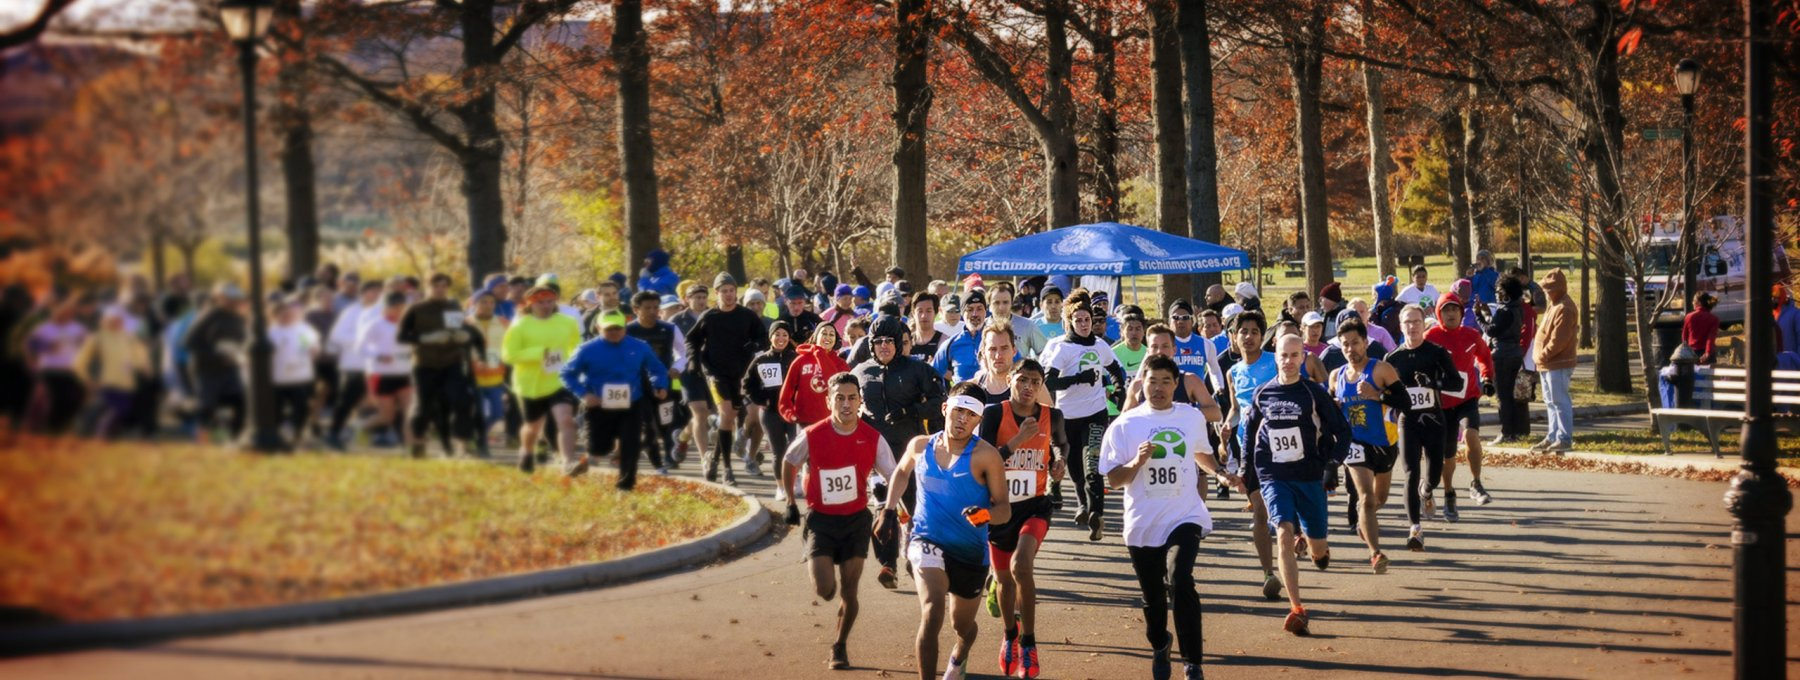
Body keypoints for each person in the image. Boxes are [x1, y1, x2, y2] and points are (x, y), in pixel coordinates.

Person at [1101, 354, 1238, 679]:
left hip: (1184, 515)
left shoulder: (1190, 417)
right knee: (1153, 598)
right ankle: (1160, 643)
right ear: (1142, 385)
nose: (1159, 388)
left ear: (1176, 385)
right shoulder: (1125, 425)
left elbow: (1200, 452)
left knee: (1180, 579)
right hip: (1143, 522)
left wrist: (1219, 473)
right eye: (1152, 381)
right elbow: (1114, 480)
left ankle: (1193, 662)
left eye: (1166, 381)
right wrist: (1136, 463)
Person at [878, 383, 1012, 680]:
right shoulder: (920, 446)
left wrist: (986, 515)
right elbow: (901, 472)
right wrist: (888, 510)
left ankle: (960, 654)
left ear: (979, 420)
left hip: (970, 552)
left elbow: (1004, 509)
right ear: (944, 409)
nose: (962, 419)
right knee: (932, 609)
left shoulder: (986, 456)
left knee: (961, 626)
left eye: (971, 415)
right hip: (926, 540)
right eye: (958, 410)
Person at [780, 372, 899, 671]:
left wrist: (891, 510)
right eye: (840, 398)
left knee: (849, 590)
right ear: (828, 401)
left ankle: (840, 645)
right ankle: (824, 578)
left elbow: (894, 475)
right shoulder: (813, 434)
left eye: (852, 398)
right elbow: (789, 462)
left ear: (860, 401)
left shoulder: (872, 437)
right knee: (825, 589)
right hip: (821, 520)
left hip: (856, 520)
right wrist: (790, 502)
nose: (846, 404)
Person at [1245, 335, 1352, 636]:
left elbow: (1343, 432)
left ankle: (1318, 551)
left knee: (1318, 544)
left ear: (1303, 358)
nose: (1289, 361)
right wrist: (1245, 470)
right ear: (1275, 357)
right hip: (1273, 474)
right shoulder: (1263, 392)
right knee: (1282, 531)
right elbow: (1250, 432)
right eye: (1284, 355)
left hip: (1309, 475)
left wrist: (1332, 464)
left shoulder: (1313, 392)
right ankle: (1297, 608)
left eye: (1295, 355)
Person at [976, 360, 1065, 679]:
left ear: (1041, 386)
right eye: (1023, 380)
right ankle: (1010, 635)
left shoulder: (1052, 415)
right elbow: (984, 460)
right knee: (1004, 581)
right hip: (999, 509)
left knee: (1021, 566)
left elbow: (1061, 444)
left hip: (1035, 506)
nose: (1028, 387)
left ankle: (1029, 642)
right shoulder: (993, 414)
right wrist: (1017, 440)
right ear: (1010, 380)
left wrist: (1059, 462)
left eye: (1035, 382)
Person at [857, 316, 946, 586]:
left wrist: (910, 411)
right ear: (871, 345)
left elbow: (940, 402)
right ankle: (887, 565)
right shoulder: (861, 371)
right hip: (876, 453)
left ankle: (916, 556)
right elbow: (845, 401)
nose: (884, 346)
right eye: (878, 342)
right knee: (883, 507)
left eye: (889, 341)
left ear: (898, 343)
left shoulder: (917, 369)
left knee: (916, 508)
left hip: (910, 451)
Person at [1040, 297, 1127, 541]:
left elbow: (1115, 369)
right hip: (1068, 417)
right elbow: (1049, 383)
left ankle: (1097, 514)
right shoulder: (1063, 348)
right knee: (1076, 469)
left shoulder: (1100, 345)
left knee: (1093, 464)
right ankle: (1082, 505)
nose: (1084, 324)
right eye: (1078, 320)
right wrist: (1079, 378)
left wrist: (1119, 389)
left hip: (1096, 413)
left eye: (1087, 319)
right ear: (1070, 323)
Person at [1330, 318, 1410, 574]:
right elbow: (1330, 412)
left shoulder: (1381, 369)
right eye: (1345, 344)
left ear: (1365, 342)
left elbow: (1405, 402)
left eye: (1355, 342)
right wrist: (1334, 407)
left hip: (1384, 443)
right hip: (1354, 444)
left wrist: (1377, 395)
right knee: (1365, 497)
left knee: (1379, 499)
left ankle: (1364, 521)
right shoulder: (1336, 376)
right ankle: (1375, 553)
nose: (1350, 349)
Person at [1384, 306, 1463, 550]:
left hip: (1434, 420)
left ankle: (1427, 491)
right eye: (1407, 322)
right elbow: (1387, 394)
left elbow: (1456, 383)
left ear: (1423, 324)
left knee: (1434, 474)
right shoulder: (1392, 359)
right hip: (1408, 421)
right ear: (1401, 326)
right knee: (1410, 472)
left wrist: (1433, 383)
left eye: (1416, 321)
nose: (1412, 326)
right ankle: (1415, 529)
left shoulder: (1436, 352)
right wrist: (1387, 398)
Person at [560, 314, 669, 489]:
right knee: (598, 448)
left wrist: (660, 385)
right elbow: (567, 374)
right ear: (599, 328)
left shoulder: (640, 346)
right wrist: (584, 394)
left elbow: (657, 369)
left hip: (631, 403)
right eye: (609, 329)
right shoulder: (586, 349)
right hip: (598, 405)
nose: (614, 332)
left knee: (631, 444)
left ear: (625, 328)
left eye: (618, 328)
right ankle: (587, 459)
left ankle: (625, 486)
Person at [686, 274, 771, 484]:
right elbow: (692, 340)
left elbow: (763, 337)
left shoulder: (746, 315)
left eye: (732, 290)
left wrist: (755, 346)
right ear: (717, 293)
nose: (729, 295)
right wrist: (693, 362)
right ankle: (727, 470)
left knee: (730, 417)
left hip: (741, 374)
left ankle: (714, 459)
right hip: (716, 373)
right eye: (724, 291)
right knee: (726, 414)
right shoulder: (709, 316)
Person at [1221, 311, 1282, 599]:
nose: (1248, 336)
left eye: (1254, 331)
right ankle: (1269, 573)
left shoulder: (1275, 362)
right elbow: (1235, 409)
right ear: (1233, 337)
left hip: (1280, 443)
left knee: (1281, 506)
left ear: (1262, 336)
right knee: (1259, 508)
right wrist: (1226, 427)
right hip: (1249, 447)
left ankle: (1297, 536)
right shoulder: (1233, 372)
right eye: (1242, 331)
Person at [398, 272, 487, 459]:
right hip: (425, 364)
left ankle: (462, 447)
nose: (440, 290)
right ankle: (418, 443)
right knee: (424, 406)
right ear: (428, 287)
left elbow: (460, 331)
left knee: (462, 401)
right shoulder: (416, 309)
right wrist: (425, 338)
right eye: (436, 286)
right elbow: (402, 336)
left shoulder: (453, 307)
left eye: (444, 286)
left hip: (451, 362)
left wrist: (464, 338)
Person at [1425, 294, 1495, 518]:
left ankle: (1476, 483)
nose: (1451, 314)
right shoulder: (1431, 337)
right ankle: (1449, 493)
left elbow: (1485, 357)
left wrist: (1487, 378)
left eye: (1455, 309)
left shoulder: (1471, 335)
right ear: (1439, 314)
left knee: (1471, 435)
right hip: (1442, 404)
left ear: (1461, 313)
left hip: (1467, 399)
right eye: (1446, 310)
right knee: (1448, 455)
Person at [502, 283, 583, 474]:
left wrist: (576, 365)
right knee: (533, 426)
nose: (546, 306)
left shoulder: (567, 322)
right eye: (541, 303)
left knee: (565, 420)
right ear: (530, 304)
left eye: (549, 301)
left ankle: (568, 462)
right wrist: (539, 353)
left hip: (559, 380)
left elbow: (576, 347)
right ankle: (526, 451)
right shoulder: (520, 325)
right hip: (530, 383)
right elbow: (509, 355)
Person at [626, 290, 688, 475]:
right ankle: (654, 458)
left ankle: (669, 456)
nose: (653, 311)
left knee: (666, 422)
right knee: (645, 423)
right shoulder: (628, 331)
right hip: (638, 385)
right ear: (636, 309)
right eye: (647, 308)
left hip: (664, 383)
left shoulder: (669, 329)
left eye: (655, 307)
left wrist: (677, 367)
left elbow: (683, 352)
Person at [184, 284, 250, 443]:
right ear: (219, 298)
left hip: (230, 368)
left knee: (240, 402)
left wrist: (239, 356)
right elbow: (189, 342)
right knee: (207, 407)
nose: (234, 302)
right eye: (230, 299)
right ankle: (203, 440)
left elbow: (242, 341)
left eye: (236, 299)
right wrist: (217, 356)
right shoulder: (209, 316)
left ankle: (235, 438)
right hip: (207, 370)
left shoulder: (238, 317)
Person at [75, 308, 152, 439]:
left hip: (126, 382)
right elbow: (81, 361)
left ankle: (100, 434)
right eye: (113, 320)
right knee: (115, 409)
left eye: (119, 320)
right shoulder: (97, 338)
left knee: (121, 410)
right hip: (106, 381)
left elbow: (139, 354)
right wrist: (86, 378)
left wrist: (144, 367)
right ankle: (100, 435)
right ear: (105, 321)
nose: (117, 323)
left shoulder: (128, 337)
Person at [325, 280, 382, 449]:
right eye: (373, 291)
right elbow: (337, 335)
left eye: (379, 291)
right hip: (354, 364)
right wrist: (361, 340)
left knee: (378, 401)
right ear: (363, 293)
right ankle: (334, 433)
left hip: (376, 364)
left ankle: (375, 434)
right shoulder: (351, 312)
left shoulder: (381, 311)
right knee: (347, 400)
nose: (376, 294)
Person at [358, 291, 415, 450]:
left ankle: (411, 448)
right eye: (395, 307)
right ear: (386, 308)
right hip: (383, 374)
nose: (398, 310)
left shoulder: (409, 324)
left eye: (401, 307)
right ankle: (361, 427)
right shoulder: (376, 324)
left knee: (409, 412)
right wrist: (379, 356)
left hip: (405, 373)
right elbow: (361, 347)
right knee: (386, 417)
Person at [744, 321, 797, 481]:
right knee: (778, 452)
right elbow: (748, 384)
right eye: (777, 334)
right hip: (771, 413)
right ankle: (781, 487)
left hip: (793, 412)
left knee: (795, 448)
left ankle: (795, 481)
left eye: (785, 335)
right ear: (770, 337)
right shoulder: (761, 360)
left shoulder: (796, 358)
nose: (781, 338)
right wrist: (762, 399)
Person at [1532, 269, 1579, 453]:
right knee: (1551, 401)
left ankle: (1564, 438)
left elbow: (1559, 340)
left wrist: (1543, 355)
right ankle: (1553, 436)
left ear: (1557, 289)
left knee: (1559, 401)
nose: (1545, 293)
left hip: (1557, 362)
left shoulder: (1565, 308)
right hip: (1547, 363)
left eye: (1548, 289)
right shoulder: (1555, 305)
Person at [265, 298, 320, 446]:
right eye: (282, 314)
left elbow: (311, 348)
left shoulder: (302, 330)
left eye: (289, 314)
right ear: (274, 315)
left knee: (301, 407)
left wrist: (313, 350)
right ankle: (276, 435)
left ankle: (298, 434)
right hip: (278, 378)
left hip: (299, 377)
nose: (287, 316)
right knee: (277, 409)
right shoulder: (270, 333)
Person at [1486, 277, 1529, 446]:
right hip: (1515, 353)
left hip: (1503, 354)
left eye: (1500, 291)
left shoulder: (1504, 311)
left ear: (1507, 293)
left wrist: (1479, 317)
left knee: (1503, 396)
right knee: (1510, 395)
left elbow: (1491, 331)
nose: (1497, 294)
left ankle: (1506, 432)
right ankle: (1514, 431)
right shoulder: (1518, 308)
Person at [468, 291, 511, 451]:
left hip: (496, 378)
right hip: (473, 378)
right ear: (474, 303)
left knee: (497, 413)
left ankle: (476, 436)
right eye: (484, 302)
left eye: (491, 302)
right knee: (478, 413)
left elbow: (510, 347)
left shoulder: (504, 323)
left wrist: (504, 358)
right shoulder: (465, 324)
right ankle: (480, 443)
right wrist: (474, 361)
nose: (488, 305)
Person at [933, 290, 990, 382]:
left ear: (985, 312)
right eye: (970, 310)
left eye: (979, 309)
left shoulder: (998, 339)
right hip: (962, 390)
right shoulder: (951, 343)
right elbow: (933, 374)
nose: (975, 314)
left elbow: (1015, 367)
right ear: (962, 313)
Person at [986, 285, 1047, 359]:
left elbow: (1045, 354)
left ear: (1011, 303)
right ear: (989, 305)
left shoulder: (1027, 325)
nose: (1001, 307)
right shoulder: (983, 327)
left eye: (1005, 302)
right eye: (996, 303)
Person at [1682, 292, 1721, 365]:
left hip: (1692, 353)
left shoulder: (1689, 317)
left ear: (1699, 302)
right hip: (1707, 354)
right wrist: (1707, 353)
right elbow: (1711, 338)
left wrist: (1685, 353)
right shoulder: (1714, 319)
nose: (1692, 302)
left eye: (1694, 300)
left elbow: (1684, 337)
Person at [1776, 285, 1800, 356]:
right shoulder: (1768, 317)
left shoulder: (1795, 314)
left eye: (1775, 296)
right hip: (1772, 361)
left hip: (1791, 361)